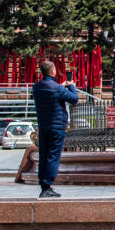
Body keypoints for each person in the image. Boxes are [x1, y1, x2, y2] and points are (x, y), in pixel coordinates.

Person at [31, 60, 78, 198]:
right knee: (53, 156)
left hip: (43, 127)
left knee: (44, 155)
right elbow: (74, 99)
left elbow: (50, 92)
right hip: (57, 127)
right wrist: (71, 87)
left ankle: (43, 184)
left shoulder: (37, 87)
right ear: (53, 71)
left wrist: (61, 87)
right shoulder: (58, 89)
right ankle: (47, 185)